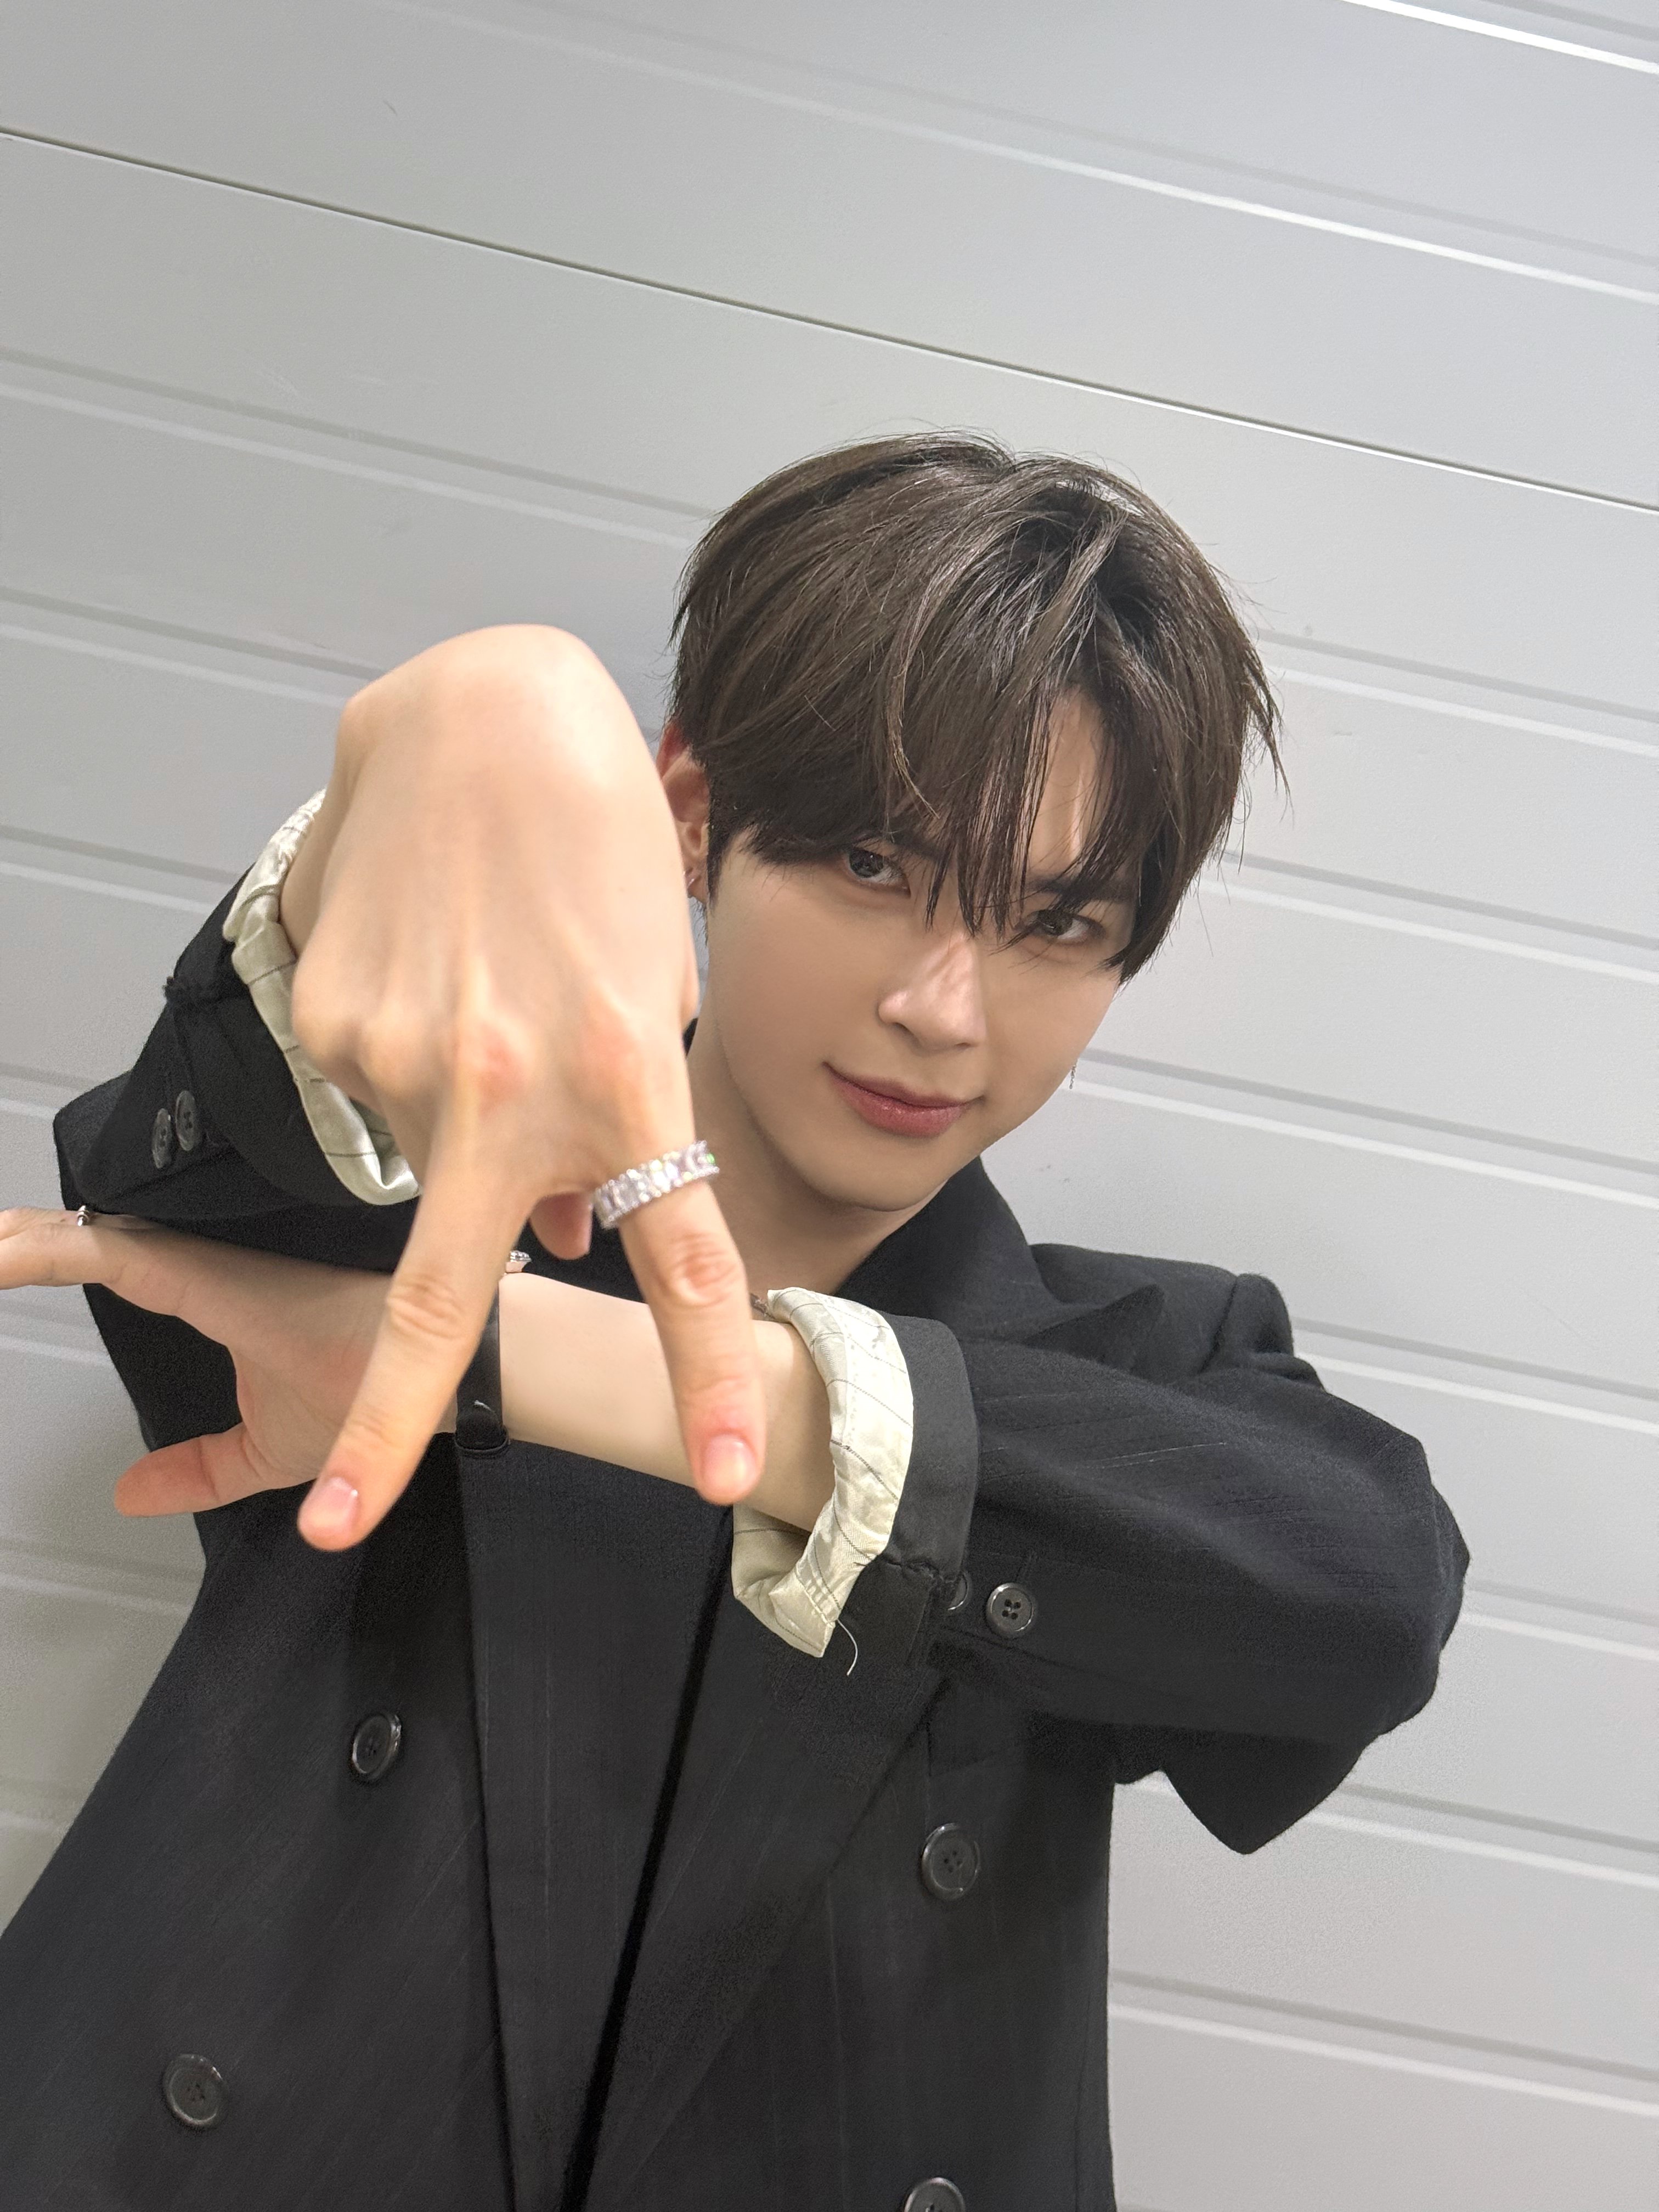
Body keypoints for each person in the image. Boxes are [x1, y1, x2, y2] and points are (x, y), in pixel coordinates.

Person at [0, 435, 1467, 2211]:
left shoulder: (1138, 1371)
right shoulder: (422, 1193)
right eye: (871, 861)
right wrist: (435, 766)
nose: (943, 1009)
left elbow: (1364, 1596)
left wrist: (527, 1364)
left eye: (1056, 925)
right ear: (691, 814)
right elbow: (230, 1124)